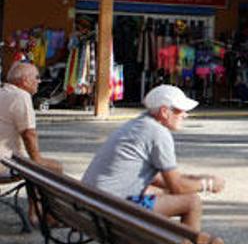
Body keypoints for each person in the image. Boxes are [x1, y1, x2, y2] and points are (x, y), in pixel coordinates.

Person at [82, 85, 225, 231]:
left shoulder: (137, 124)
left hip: (94, 203)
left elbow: (158, 179)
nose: (185, 115)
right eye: (180, 110)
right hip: (114, 209)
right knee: (192, 202)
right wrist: (208, 184)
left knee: (160, 192)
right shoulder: (158, 133)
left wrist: (194, 179)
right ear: (164, 111)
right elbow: (177, 186)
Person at [0, 62, 63, 223]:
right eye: (36, 77)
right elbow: (29, 134)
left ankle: (35, 212)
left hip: (7, 160)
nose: (39, 81)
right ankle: (47, 216)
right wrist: (37, 158)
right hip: (5, 164)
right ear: (24, 80)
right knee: (52, 168)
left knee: (32, 165)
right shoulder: (21, 96)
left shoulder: (3, 92)